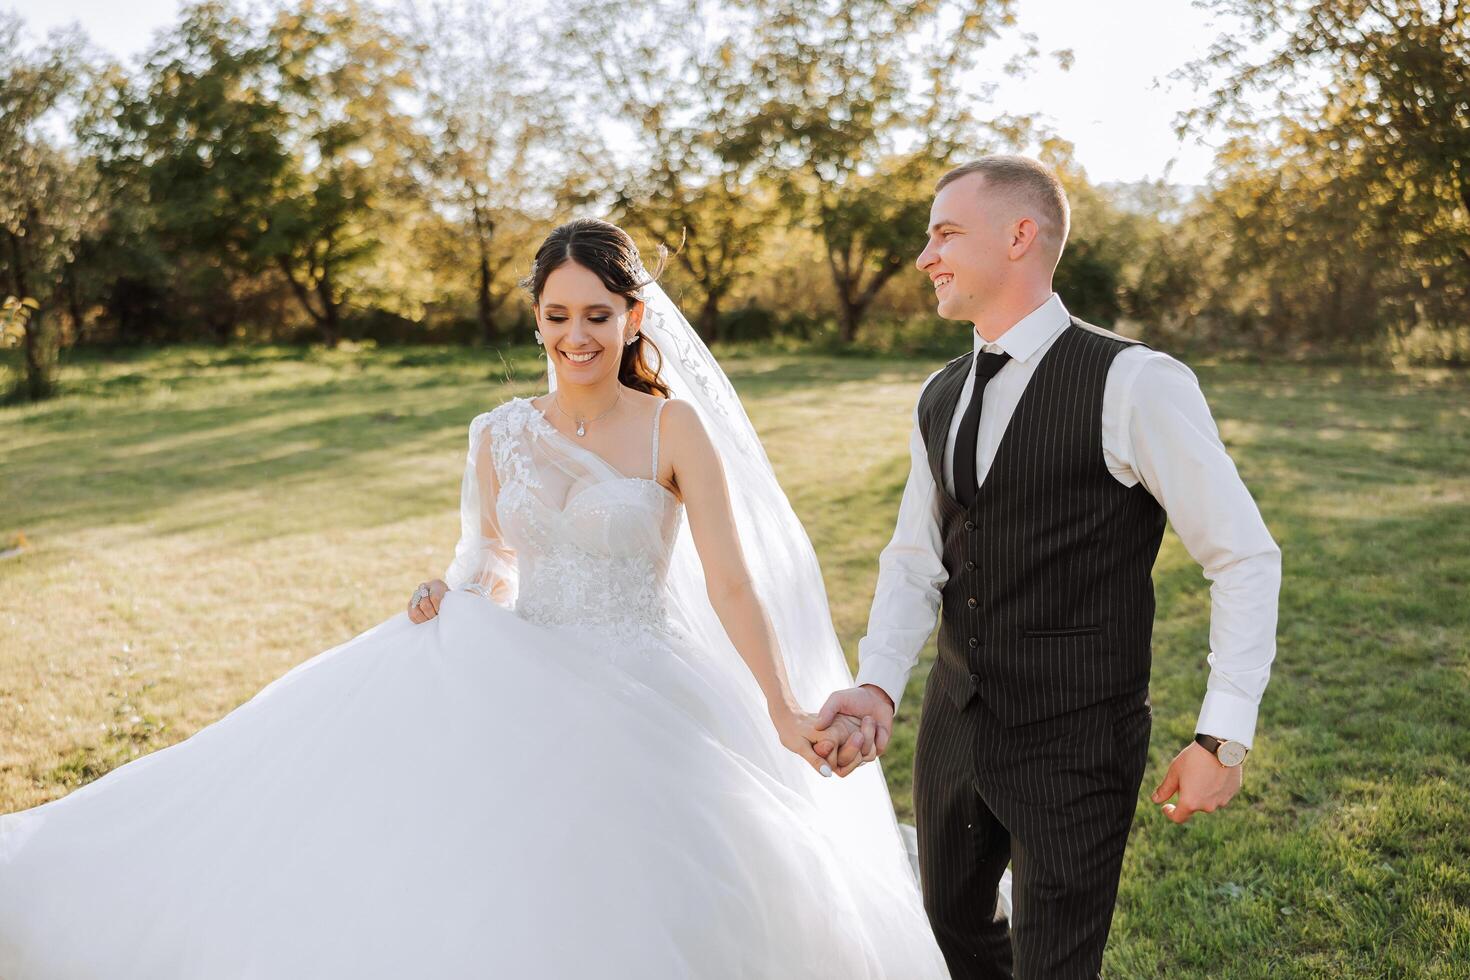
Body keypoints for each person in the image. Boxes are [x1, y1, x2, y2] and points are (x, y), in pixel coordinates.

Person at [0, 218, 950, 979]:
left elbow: (734, 582)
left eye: (598, 316)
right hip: (525, 668)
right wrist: (447, 593)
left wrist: (782, 709)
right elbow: (490, 562)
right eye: (557, 316)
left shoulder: (674, 428)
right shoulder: (496, 433)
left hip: (648, 681)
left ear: (633, 319)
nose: (576, 337)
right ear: (535, 319)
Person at [813, 155, 1282, 978]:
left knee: (1055, 962)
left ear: (1020, 235)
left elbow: (1243, 556)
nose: (925, 257)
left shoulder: (1135, 382)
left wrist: (1223, 736)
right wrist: (879, 682)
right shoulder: (940, 391)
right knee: (949, 925)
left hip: (1076, 736)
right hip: (956, 725)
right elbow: (914, 559)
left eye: (945, 234)